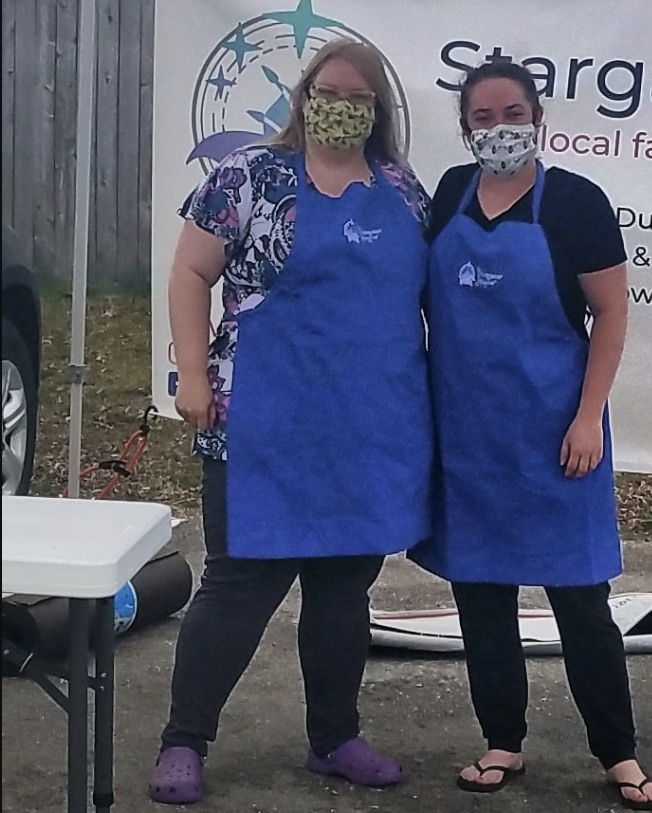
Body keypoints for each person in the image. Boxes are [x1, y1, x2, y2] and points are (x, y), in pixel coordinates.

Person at [148, 39, 433, 805]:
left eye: (358, 97)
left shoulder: (406, 193)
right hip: (261, 419)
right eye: (327, 89)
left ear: (377, 113)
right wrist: (193, 371)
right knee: (240, 584)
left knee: (344, 591)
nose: (340, 106)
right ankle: (184, 741)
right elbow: (190, 272)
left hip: (369, 426)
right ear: (304, 94)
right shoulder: (246, 178)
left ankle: (334, 738)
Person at [409, 60, 652, 811]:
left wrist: (588, 416)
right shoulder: (452, 194)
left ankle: (618, 755)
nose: (499, 129)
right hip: (468, 437)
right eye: (483, 118)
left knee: (581, 604)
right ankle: (502, 741)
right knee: (481, 599)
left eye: (512, 112)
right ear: (465, 128)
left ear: (539, 117)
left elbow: (612, 315)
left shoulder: (577, 204)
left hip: (560, 435)